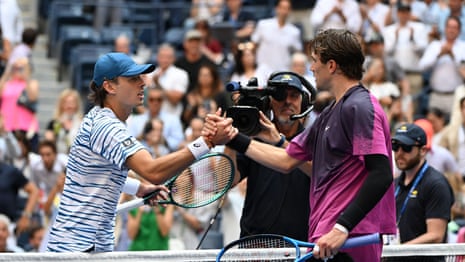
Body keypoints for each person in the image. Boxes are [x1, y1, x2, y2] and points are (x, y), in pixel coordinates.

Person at [204, 28, 396, 261]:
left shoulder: (360, 106)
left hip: (349, 238)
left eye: (315, 61)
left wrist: (342, 227)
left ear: (332, 65)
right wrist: (234, 137)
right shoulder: (330, 112)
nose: (312, 68)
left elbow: (382, 173)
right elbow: (286, 161)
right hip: (325, 239)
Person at [46, 52, 234, 252]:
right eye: (133, 79)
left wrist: (138, 188)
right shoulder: (107, 127)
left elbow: (94, 176)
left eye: (141, 77)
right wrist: (206, 142)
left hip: (79, 246)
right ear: (109, 86)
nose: (143, 83)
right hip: (79, 250)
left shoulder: (97, 119)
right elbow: (153, 171)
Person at [226, 72, 311, 241]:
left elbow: (320, 171)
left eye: (294, 96)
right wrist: (231, 139)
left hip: (303, 245)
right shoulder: (253, 138)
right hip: (256, 245)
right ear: (269, 102)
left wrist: (279, 142)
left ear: (304, 102)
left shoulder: (315, 139)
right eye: (279, 96)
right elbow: (229, 180)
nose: (287, 102)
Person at [386, 123, 454, 261]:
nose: (399, 153)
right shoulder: (395, 183)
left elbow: (435, 235)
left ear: (423, 150)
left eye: (406, 147)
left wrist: (396, 251)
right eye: (395, 146)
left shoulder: (436, 184)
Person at [251, 0, 302, 72]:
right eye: (282, 8)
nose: (284, 11)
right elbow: (253, 46)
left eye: (287, 8)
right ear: (277, 8)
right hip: (262, 70)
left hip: (284, 71)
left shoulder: (295, 32)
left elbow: (298, 54)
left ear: (290, 11)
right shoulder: (263, 25)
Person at [43, 88, 83, 154]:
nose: (69, 106)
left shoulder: (83, 123)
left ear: (77, 105)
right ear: (61, 105)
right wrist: (58, 127)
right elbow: (49, 142)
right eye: (66, 102)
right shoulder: (54, 122)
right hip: (59, 157)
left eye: (72, 102)